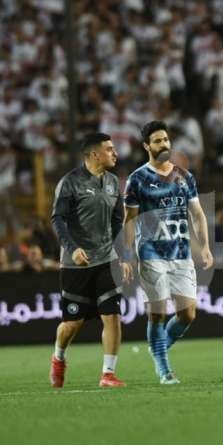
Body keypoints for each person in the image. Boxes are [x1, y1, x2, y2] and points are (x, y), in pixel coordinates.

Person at [121, 120, 214, 384]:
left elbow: (197, 214)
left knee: (188, 314)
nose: (164, 144)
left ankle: (157, 348)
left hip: (181, 253)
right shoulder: (137, 179)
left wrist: (205, 246)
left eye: (166, 139)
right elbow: (129, 220)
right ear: (146, 146)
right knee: (158, 312)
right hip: (151, 253)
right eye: (157, 141)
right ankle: (164, 369)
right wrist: (127, 255)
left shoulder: (184, 176)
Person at [49, 132, 125, 388]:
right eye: (110, 149)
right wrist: (72, 248)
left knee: (112, 315)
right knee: (72, 323)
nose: (115, 153)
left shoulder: (113, 182)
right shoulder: (70, 182)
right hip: (76, 264)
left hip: (106, 260)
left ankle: (108, 374)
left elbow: (117, 221)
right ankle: (58, 357)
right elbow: (58, 219)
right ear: (95, 154)